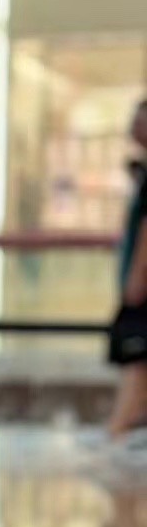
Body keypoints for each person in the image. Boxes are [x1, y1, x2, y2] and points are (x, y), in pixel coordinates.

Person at [108, 98, 147, 437]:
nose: (133, 128)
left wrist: (137, 275)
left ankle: (118, 430)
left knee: (135, 356)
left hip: (142, 285)